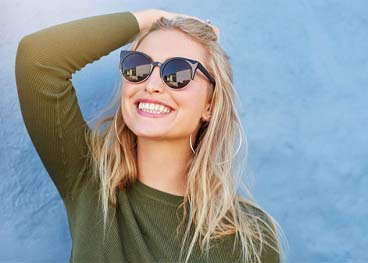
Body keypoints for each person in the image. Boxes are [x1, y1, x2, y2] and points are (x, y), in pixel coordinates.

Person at [15, 9, 282, 263]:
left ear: (210, 106)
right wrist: (156, 19)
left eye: (177, 73)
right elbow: (37, 60)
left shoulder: (249, 237)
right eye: (138, 66)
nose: (152, 85)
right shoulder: (91, 180)